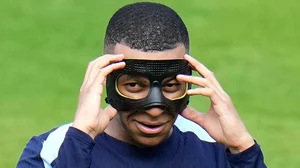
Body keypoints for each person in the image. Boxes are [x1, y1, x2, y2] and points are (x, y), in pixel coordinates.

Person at [17, 2, 267, 168]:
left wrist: (242, 148)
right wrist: (80, 139)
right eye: (135, 86)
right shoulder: (51, 151)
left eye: (170, 86)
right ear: (105, 81)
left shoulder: (216, 150)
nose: (155, 108)